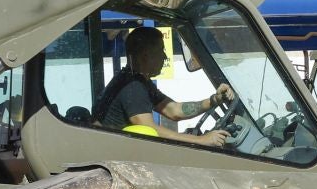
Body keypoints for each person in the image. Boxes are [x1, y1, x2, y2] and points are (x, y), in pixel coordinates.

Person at [94, 26, 235, 147]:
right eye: (161, 50)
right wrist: (201, 140)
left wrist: (214, 100)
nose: (165, 56)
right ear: (145, 56)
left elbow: (174, 110)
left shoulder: (137, 81)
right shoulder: (132, 87)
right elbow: (150, 130)